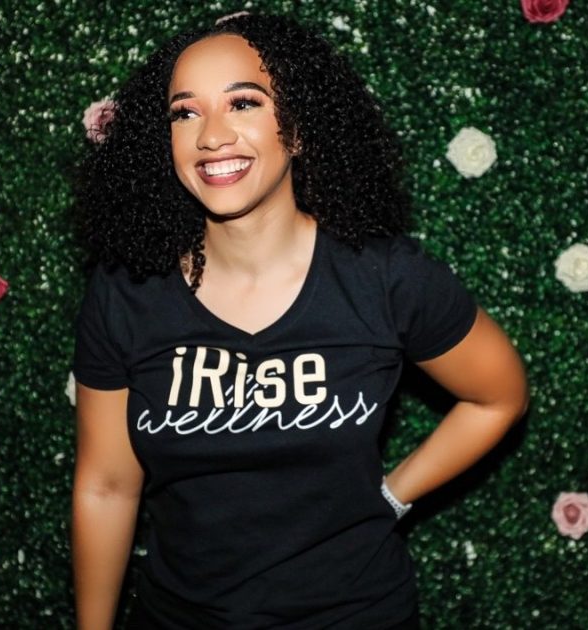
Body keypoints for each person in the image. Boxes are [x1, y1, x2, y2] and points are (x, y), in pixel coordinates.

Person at [71, 13, 529, 630]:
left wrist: (393, 495)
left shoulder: (384, 278)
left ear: (300, 128)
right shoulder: (126, 293)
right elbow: (106, 486)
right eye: (185, 113)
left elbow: (499, 396)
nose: (212, 135)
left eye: (244, 103)